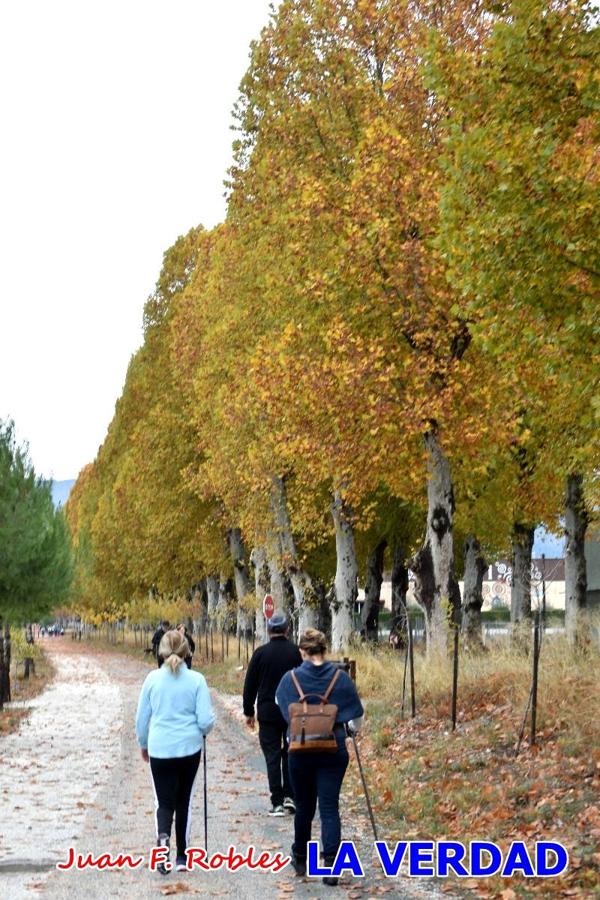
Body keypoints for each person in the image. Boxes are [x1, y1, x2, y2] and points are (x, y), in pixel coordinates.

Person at [275, 628, 364, 885]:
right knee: (329, 806)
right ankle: (332, 866)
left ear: (302, 651)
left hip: (300, 751)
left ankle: (301, 858)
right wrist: (350, 732)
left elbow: (283, 712)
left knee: (304, 806)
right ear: (324, 650)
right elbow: (357, 717)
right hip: (333, 749)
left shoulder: (289, 680)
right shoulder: (341, 679)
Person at [135, 629, 215, 875]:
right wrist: (205, 725)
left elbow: (141, 719)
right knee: (183, 800)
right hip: (189, 748)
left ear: (160, 651)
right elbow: (205, 721)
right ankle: (181, 857)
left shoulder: (151, 680)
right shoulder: (197, 680)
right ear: (186, 651)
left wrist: (144, 744)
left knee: (163, 801)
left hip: (160, 747)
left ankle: (162, 843)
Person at [243, 612, 302, 817]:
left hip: (267, 712)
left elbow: (250, 684)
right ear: (287, 630)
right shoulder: (295, 653)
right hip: (291, 711)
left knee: (272, 756)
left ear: (268, 631)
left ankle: (276, 801)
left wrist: (248, 711)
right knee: (290, 753)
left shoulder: (260, 653)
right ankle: (290, 796)